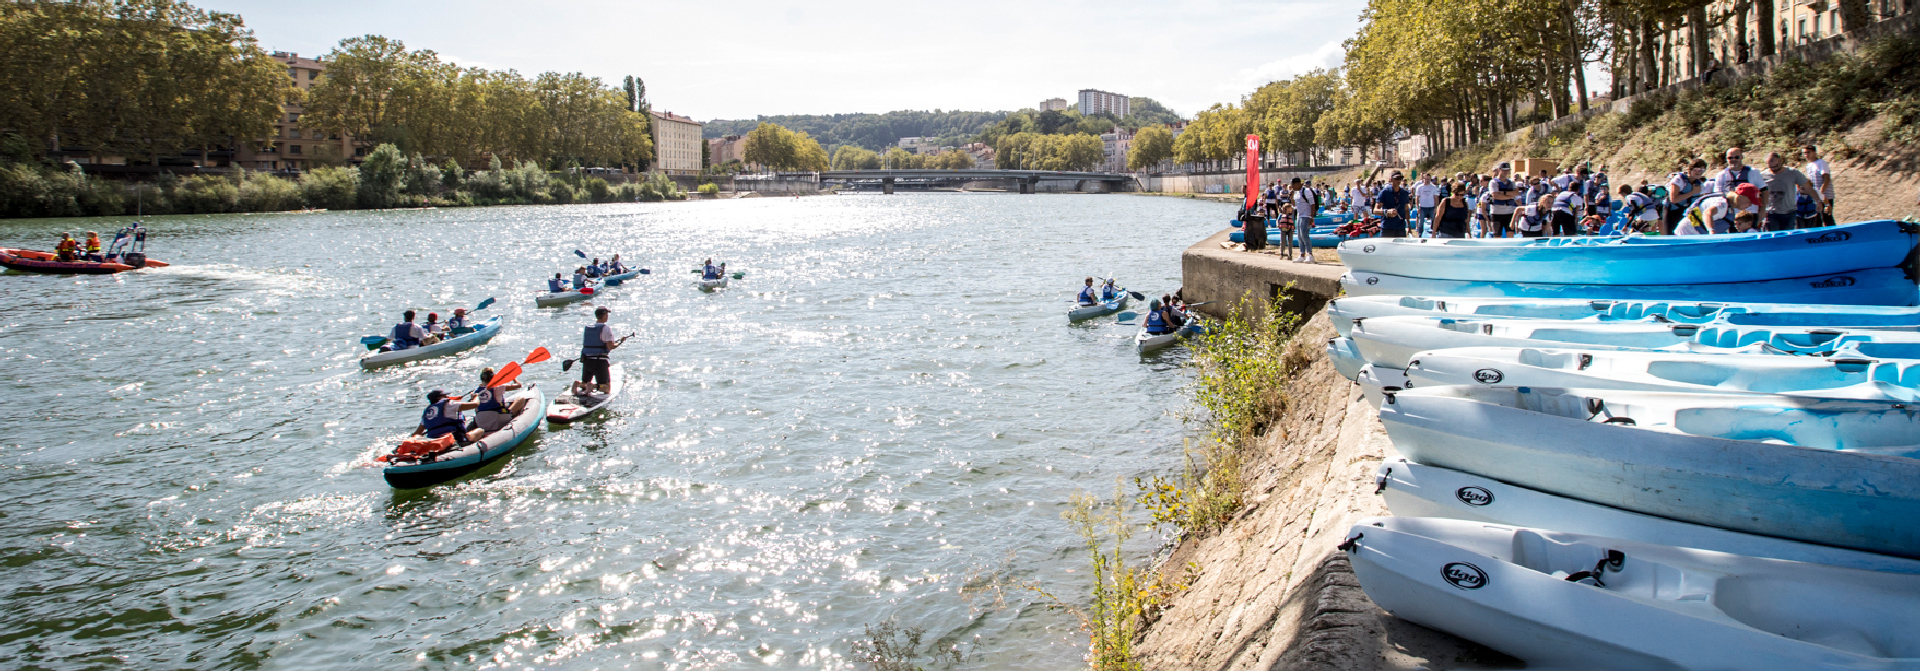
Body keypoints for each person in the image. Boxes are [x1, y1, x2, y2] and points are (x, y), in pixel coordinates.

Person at [1759, 151, 1824, 231]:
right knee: (1774, 236)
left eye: (1776, 165)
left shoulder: (1793, 173)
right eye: (1771, 167)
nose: (1774, 169)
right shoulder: (1763, 176)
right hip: (1772, 213)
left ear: (1780, 161)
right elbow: (1759, 193)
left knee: (1787, 236)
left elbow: (1808, 187)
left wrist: (1818, 201)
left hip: (1789, 213)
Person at [574, 306, 621, 397]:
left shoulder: (588, 328)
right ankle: (593, 386)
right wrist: (620, 342)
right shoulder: (606, 328)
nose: (607, 316)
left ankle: (579, 384)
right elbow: (610, 347)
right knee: (607, 388)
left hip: (587, 361)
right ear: (604, 315)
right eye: (607, 314)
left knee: (585, 381)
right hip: (600, 362)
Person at [1681, 183, 1761, 234]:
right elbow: (1707, 213)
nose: (1750, 205)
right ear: (1740, 197)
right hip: (1687, 233)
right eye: (1750, 201)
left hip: (1696, 234)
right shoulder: (1722, 203)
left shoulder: (1730, 207)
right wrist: (1712, 232)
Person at [469, 367, 529, 433]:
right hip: (497, 420)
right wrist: (513, 377)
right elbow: (518, 385)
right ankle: (514, 417)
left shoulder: (475, 392)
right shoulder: (498, 387)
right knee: (520, 399)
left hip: (481, 422)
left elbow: (476, 409)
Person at [413, 389, 483, 444]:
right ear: (440, 397)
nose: (447, 397)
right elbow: (475, 404)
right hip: (454, 438)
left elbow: (417, 433)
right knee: (480, 430)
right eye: (445, 395)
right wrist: (475, 397)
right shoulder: (449, 404)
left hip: (435, 441)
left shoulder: (427, 412)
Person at [1664, 159, 1709, 235]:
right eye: (1696, 170)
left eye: (1701, 170)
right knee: (1668, 234)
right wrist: (1693, 192)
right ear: (1690, 170)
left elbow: (1699, 203)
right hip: (1671, 210)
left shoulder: (1700, 185)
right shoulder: (1679, 179)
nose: (1699, 172)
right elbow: (1673, 199)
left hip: (1685, 212)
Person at [1484, 163, 1521, 238]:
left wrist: (1503, 193)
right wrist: (1510, 196)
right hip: (1496, 213)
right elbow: (1495, 196)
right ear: (1499, 170)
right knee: (1497, 236)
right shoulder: (1493, 182)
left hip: (1509, 213)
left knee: (1510, 234)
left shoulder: (1511, 182)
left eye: (1508, 170)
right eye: (1504, 170)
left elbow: (1516, 193)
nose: (1506, 172)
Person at [1804, 145, 1835, 227]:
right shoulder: (1809, 165)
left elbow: (1826, 179)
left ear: (1814, 152)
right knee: (1816, 219)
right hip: (1815, 196)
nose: (1806, 155)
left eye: (1808, 152)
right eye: (1805, 153)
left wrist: (1821, 194)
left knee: (1827, 217)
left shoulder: (1821, 163)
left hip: (1825, 195)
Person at [1374, 172, 1412, 238]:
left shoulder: (1404, 193)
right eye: (1396, 178)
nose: (1398, 180)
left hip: (1401, 228)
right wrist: (1386, 212)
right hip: (1387, 228)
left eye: (1400, 178)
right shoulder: (1384, 192)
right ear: (1391, 179)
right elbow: (1375, 210)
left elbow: (1406, 210)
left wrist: (1408, 225)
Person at [1290, 179, 1316, 262]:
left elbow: (1312, 204)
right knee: (1299, 236)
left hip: (1306, 216)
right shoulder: (1296, 193)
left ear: (1298, 184)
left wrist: (1311, 217)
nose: (1292, 187)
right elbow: (1295, 206)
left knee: (1304, 235)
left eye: (1293, 185)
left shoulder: (1307, 191)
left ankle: (1310, 254)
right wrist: (1291, 198)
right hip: (1299, 216)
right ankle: (1302, 254)